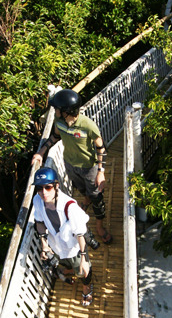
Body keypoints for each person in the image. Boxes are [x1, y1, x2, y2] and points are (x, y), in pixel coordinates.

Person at [32, 89, 112, 245]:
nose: (54, 111)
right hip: (70, 164)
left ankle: (99, 225)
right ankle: (86, 198)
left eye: (57, 108)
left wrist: (101, 172)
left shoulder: (87, 125)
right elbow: (54, 137)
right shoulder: (59, 122)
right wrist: (41, 153)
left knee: (97, 197)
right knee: (81, 189)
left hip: (89, 167)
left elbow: (101, 148)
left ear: (67, 111)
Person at [33, 166, 94, 307]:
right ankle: (70, 268)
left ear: (56, 186)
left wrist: (84, 258)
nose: (43, 192)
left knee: (83, 270)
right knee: (64, 261)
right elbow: (39, 222)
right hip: (56, 243)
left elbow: (80, 234)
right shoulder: (37, 200)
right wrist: (44, 245)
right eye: (39, 188)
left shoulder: (69, 206)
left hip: (74, 246)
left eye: (48, 187)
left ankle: (86, 286)